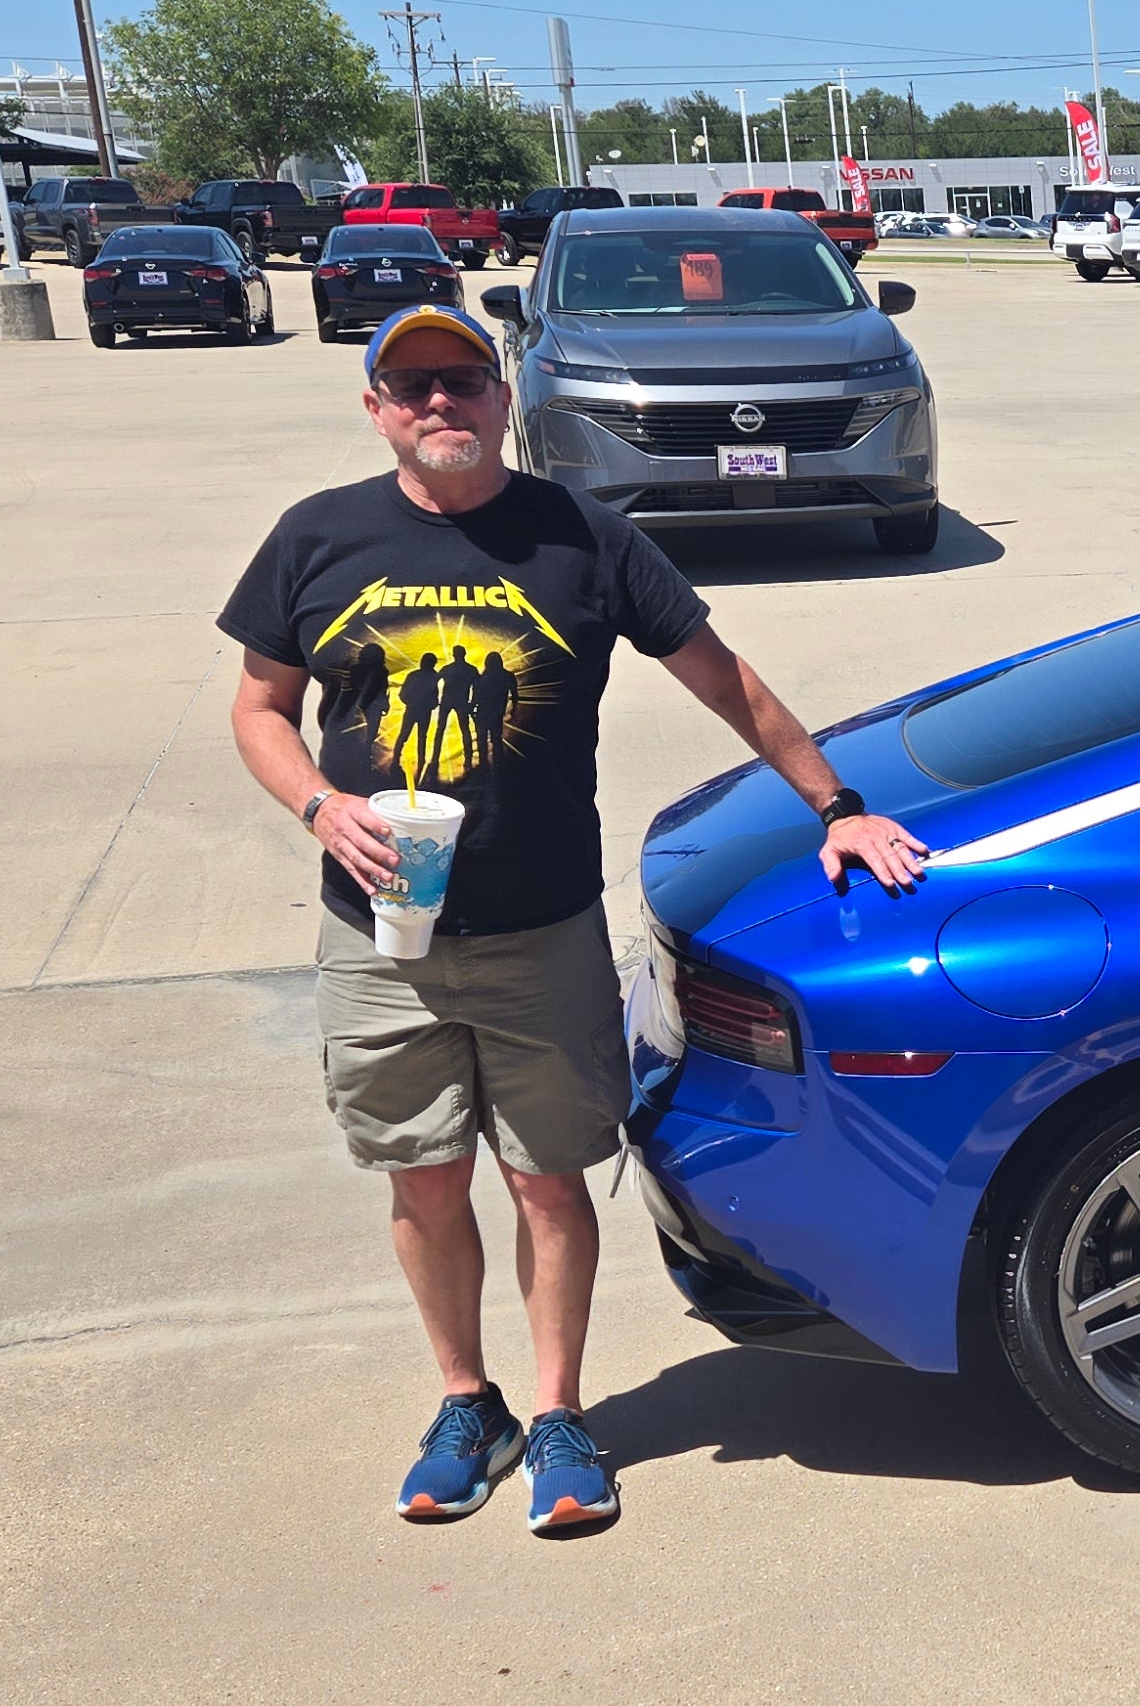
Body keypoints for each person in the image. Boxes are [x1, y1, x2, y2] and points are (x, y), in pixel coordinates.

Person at [221, 303, 927, 1537]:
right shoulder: (316, 537)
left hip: (542, 929)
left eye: (463, 381)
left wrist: (838, 805)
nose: (441, 403)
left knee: (551, 1183)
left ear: (503, 399)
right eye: (413, 385)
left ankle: (557, 1416)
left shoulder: (581, 536)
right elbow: (258, 708)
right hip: (381, 934)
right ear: (376, 405)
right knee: (425, 1180)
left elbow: (726, 678)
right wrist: (321, 805)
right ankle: (465, 1402)